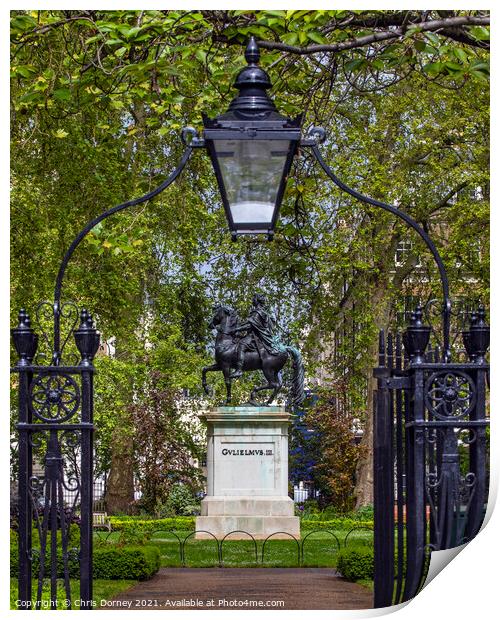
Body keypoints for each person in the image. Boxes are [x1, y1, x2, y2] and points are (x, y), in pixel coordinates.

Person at [230, 293, 281, 379]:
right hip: (253, 335)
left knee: (242, 345)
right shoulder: (258, 312)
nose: (252, 300)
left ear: (257, 301)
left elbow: (250, 325)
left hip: (255, 337)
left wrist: (236, 329)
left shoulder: (258, 313)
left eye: (253, 299)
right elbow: (247, 323)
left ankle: (239, 370)